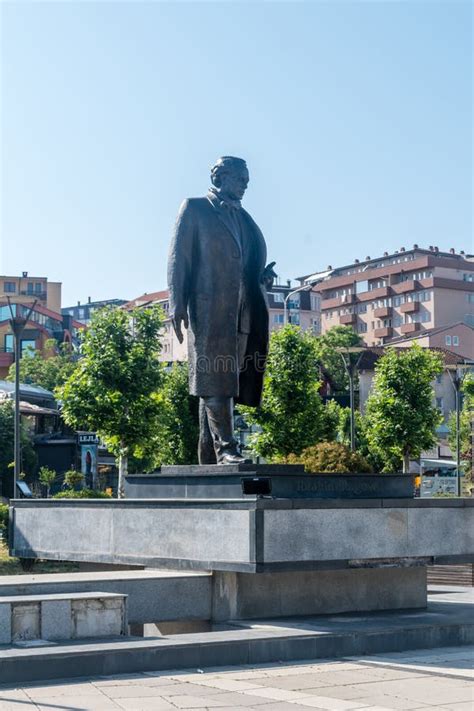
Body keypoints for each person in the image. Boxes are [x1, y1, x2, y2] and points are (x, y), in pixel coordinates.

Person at [168, 156, 275, 464]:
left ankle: (208, 456)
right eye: (241, 178)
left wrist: (260, 277)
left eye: (247, 180)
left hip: (242, 310)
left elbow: (246, 262)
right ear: (221, 176)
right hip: (209, 308)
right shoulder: (195, 208)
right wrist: (176, 302)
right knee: (216, 376)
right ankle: (226, 449)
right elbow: (179, 258)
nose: (245, 185)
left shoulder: (245, 219)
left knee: (223, 380)